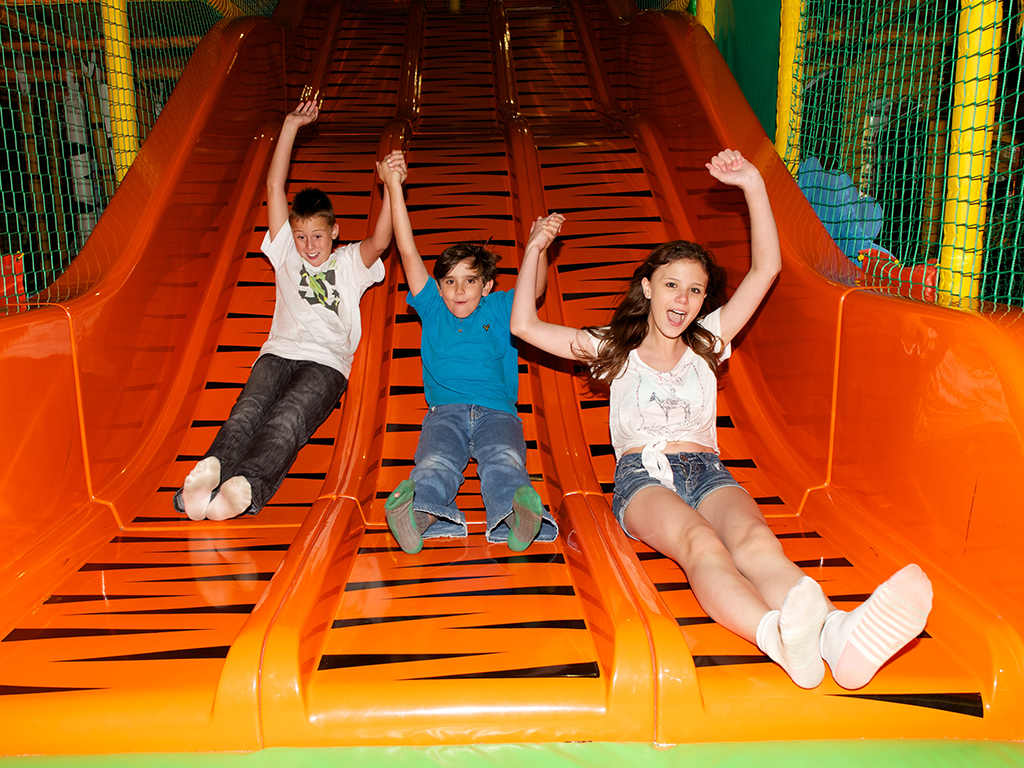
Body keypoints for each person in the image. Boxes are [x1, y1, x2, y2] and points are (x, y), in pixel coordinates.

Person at [509, 149, 933, 690]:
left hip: (707, 471)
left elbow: (767, 269)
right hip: (644, 478)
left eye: (695, 289)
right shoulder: (614, 346)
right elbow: (523, 324)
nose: (682, 299)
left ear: (705, 300)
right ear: (647, 287)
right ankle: (777, 636)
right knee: (701, 545)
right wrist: (535, 250)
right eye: (670, 284)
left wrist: (755, 183)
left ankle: (836, 638)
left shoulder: (709, 342)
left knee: (756, 542)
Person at [174, 100, 407, 521]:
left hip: (326, 364)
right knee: (247, 410)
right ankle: (207, 479)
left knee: (287, 419)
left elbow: (383, 239)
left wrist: (393, 187)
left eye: (317, 235)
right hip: (278, 352)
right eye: (301, 236)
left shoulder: (350, 263)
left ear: (334, 232)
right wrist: (289, 125)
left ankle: (244, 486)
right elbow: (273, 187)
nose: (309, 245)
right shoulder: (286, 255)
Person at [377, 150, 559, 554]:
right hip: (446, 412)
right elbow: (407, 251)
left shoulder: (498, 306)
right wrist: (393, 187)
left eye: (470, 281)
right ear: (438, 287)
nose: (459, 290)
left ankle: (518, 520)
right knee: (435, 463)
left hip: (498, 412)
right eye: (450, 281)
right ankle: (417, 517)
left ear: (487, 285)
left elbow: (538, 289)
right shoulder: (432, 308)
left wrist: (540, 247)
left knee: (504, 462)